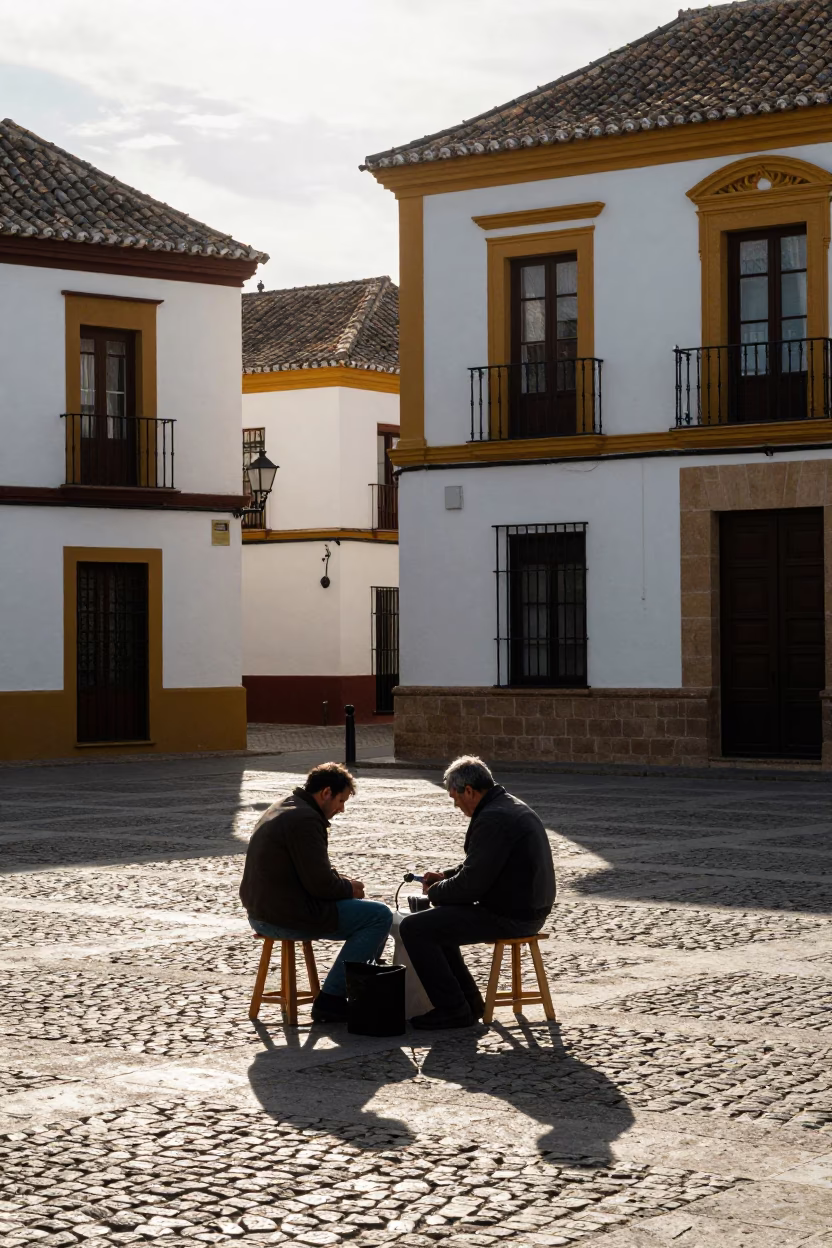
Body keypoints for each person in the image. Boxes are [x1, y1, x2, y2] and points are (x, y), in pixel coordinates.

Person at [399, 755, 556, 1030]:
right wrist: (446, 877)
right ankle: (469, 1003)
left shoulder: (493, 818)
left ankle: (452, 1008)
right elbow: (481, 863)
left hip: (512, 914)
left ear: (468, 790)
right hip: (525, 907)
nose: (456, 804)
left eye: (455, 797)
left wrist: (435, 892)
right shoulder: (507, 806)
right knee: (440, 921)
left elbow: (472, 884)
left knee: (414, 928)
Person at [239, 762, 392, 1023]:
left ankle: (352, 990)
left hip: (263, 910)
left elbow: (310, 871)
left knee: (368, 912)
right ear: (326, 793)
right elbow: (320, 885)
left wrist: (341, 882)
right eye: (341, 801)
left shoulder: (285, 806)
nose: (341, 809)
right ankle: (332, 1000)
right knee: (378, 916)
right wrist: (349, 889)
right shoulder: (306, 820)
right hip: (286, 915)